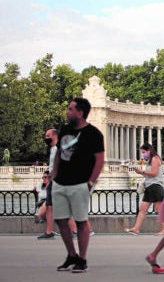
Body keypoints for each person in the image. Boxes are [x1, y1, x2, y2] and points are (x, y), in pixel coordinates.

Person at [51, 97, 104, 273]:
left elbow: (100, 160)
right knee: (61, 220)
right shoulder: (65, 129)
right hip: (60, 182)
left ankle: (82, 259)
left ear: (80, 113)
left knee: (81, 222)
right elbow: (59, 152)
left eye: (71, 109)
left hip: (80, 183)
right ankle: (71, 255)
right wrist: (54, 173)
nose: (67, 111)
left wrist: (90, 182)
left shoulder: (94, 134)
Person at [125, 143, 164, 236]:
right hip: (150, 187)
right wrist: (139, 172)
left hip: (155, 186)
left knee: (159, 209)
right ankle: (136, 228)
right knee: (142, 209)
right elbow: (149, 174)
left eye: (144, 152)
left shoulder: (155, 159)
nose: (143, 154)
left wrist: (142, 171)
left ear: (149, 151)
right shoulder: (150, 160)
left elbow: (154, 173)